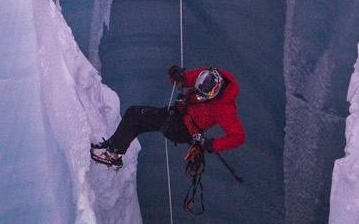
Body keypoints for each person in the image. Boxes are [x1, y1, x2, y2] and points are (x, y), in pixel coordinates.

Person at [90, 64, 244, 171]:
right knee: (138, 119)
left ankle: (112, 154)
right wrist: (175, 73)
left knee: (135, 115)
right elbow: (181, 80)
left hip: (181, 129)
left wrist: (211, 144)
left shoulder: (225, 109)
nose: (199, 94)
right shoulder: (207, 77)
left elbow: (238, 137)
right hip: (175, 114)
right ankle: (113, 148)